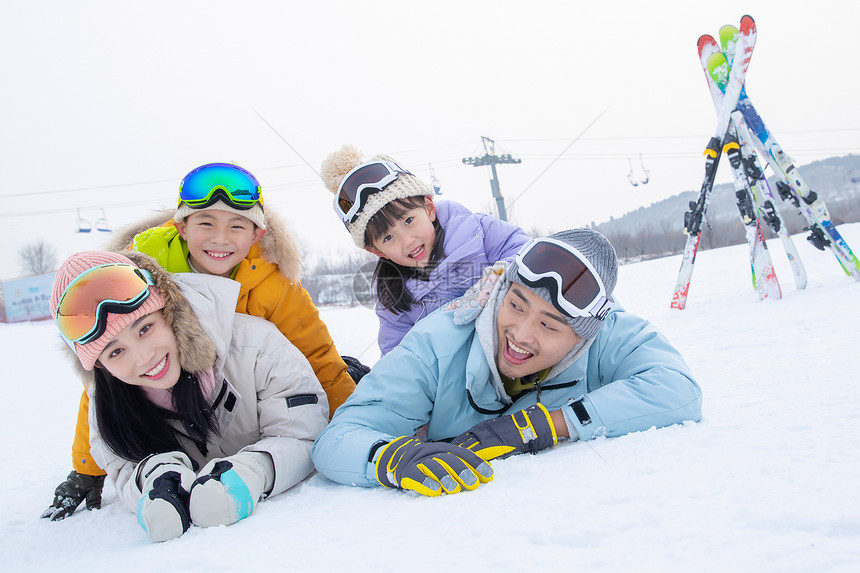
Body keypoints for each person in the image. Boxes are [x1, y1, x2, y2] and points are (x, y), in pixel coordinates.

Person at [42, 162, 360, 522]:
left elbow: (316, 356)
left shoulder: (274, 285)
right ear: (181, 227)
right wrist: (87, 465)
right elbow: (105, 387)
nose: (220, 240)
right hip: (181, 399)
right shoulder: (144, 280)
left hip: (255, 387)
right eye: (206, 223)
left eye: (236, 226)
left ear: (257, 234)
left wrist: (351, 423)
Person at [312, 228, 702, 496]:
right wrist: (394, 458)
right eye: (516, 304)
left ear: (583, 335)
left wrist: (547, 424)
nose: (521, 334)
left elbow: (678, 390)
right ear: (502, 290)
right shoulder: (436, 343)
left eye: (550, 326)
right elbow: (337, 440)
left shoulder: (605, 332)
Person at [48, 250, 329, 542]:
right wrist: (155, 476)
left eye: (145, 328)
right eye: (116, 352)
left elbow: (303, 434)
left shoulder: (258, 349)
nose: (144, 358)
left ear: (170, 312)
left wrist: (255, 470)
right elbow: (123, 469)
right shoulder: (106, 406)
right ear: (100, 366)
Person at [320, 144, 531, 356]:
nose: (407, 240)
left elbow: (526, 250)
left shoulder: (476, 230)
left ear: (429, 208)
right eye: (388, 237)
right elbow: (397, 357)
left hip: (521, 349)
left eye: (408, 220)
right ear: (378, 252)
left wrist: (494, 280)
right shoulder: (392, 298)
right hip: (457, 381)